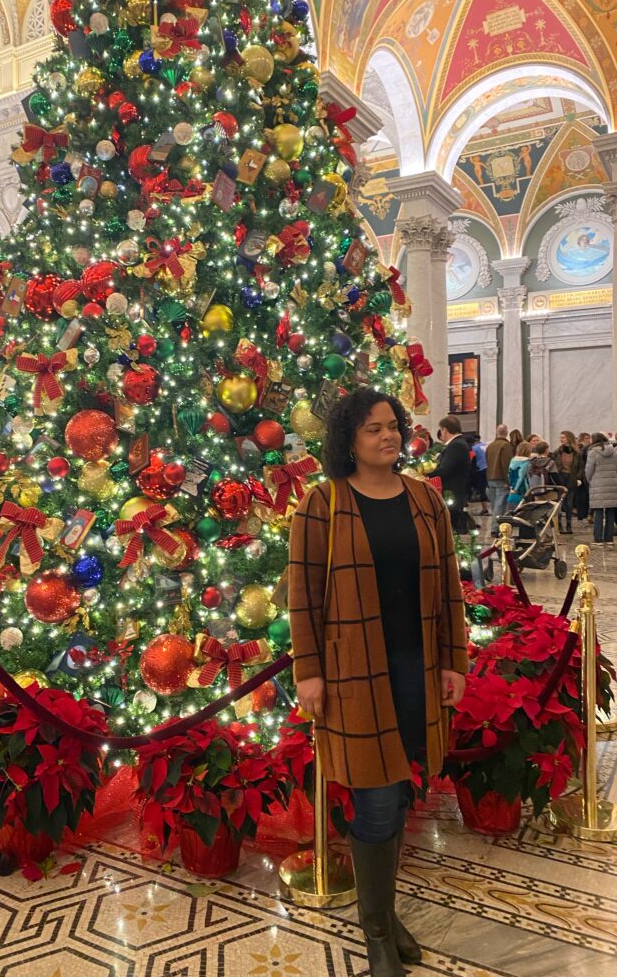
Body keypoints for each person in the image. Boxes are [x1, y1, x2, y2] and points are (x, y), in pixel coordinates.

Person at [289, 388, 467, 977]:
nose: (387, 437)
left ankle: (386, 919)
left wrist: (453, 662)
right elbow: (303, 600)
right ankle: (377, 934)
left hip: (415, 669)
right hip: (355, 673)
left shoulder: (424, 499)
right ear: (349, 439)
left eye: (392, 426)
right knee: (376, 801)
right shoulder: (323, 504)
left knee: (400, 789)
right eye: (372, 429)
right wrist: (308, 672)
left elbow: (448, 590)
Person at [432, 415, 472, 534]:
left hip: (451, 493)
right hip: (452, 493)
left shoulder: (456, 445)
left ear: (445, 429)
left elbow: (444, 470)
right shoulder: (458, 443)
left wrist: (424, 472)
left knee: (448, 531)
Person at [585, 433, 617, 545]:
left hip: (597, 484)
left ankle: (598, 538)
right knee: (610, 511)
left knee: (598, 511)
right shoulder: (614, 451)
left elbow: (589, 470)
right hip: (613, 484)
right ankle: (609, 538)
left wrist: (590, 481)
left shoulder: (592, 452)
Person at [486, 424, 513, 536]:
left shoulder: (490, 445)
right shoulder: (506, 445)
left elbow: (487, 462)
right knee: (500, 505)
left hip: (490, 478)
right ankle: (495, 528)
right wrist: (508, 481)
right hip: (501, 478)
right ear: (506, 433)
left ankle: (496, 526)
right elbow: (506, 464)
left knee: (494, 505)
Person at [552, 431, 581, 534]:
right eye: (561, 438)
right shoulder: (558, 451)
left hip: (571, 478)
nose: (561, 439)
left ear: (569, 438)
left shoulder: (577, 453)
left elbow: (581, 466)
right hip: (560, 478)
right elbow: (553, 464)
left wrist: (578, 478)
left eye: (563, 437)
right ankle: (559, 525)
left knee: (569, 503)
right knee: (560, 502)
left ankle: (569, 525)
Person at [507, 441, 532, 509]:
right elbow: (521, 477)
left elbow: (509, 474)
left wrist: (512, 488)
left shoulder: (513, 460)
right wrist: (516, 489)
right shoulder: (526, 462)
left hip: (512, 486)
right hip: (522, 488)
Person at [470, 434, 489, 514]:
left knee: (482, 490)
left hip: (480, 469)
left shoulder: (474, 448)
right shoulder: (486, 446)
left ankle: (485, 509)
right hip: (489, 468)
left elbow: (472, 459)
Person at [576, 432, 592, 522]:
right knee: (582, 496)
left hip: (582, 473)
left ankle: (582, 514)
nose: (588, 440)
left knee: (583, 495)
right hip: (581, 474)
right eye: (586, 438)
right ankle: (582, 514)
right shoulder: (581, 448)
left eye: (589, 438)